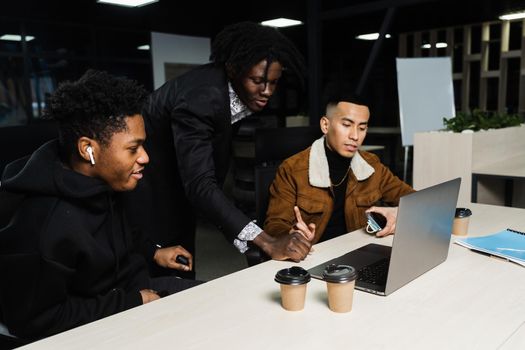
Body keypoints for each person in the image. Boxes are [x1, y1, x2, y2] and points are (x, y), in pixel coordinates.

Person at [0, 70, 200, 341]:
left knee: (217, 299)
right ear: (88, 149)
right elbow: (36, 321)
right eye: (133, 148)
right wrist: (132, 303)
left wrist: (153, 252)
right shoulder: (46, 225)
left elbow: (117, 232)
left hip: (129, 293)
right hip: (94, 324)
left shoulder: (104, 183)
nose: (145, 158)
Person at [123, 21, 311, 273]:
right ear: (234, 69)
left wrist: (246, 235)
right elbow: (201, 184)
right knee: (160, 283)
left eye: (273, 82)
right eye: (257, 80)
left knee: (183, 275)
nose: (266, 91)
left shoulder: (229, 91)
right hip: (149, 201)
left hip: (178, 197)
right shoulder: (200, 99)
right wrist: (266, 241)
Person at [264, 94, 415, 243]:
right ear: (325, 125)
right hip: (313, 257)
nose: (355, 136)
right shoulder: (292, 169)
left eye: (362, 128)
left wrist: (396, 212)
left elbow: (415, 200)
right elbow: (274, 226)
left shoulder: (372, 165)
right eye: (347, 125)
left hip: (359, 252)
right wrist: (291, 235)